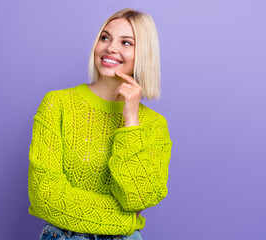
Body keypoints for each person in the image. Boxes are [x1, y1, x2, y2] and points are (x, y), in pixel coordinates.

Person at [28, 8, 173, 240]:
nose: (110, 48)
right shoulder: (58, 104)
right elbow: (44, 195)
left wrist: (131, 121)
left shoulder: (154, 125)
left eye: (126, 42)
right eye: (105, 37)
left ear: (144, 54)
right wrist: (125, 219)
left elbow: (137, 197)